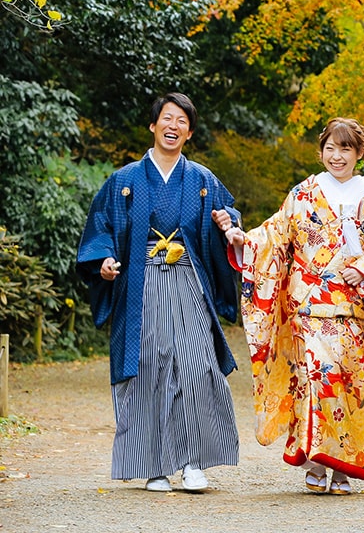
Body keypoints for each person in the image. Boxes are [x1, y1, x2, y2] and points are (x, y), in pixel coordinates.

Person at [217, 117, 364, 495]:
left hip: (356, 308)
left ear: (360, 153)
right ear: (321, 150)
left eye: (345, 149)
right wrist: (245, 240)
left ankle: (343, 467)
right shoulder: (304, 192)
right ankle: (314, 459)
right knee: (316, 377)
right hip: (308, 306)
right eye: (330, 148)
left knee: (353, 386)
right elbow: (275, 235)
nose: (336, 156)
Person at [76, 92, 242, 493]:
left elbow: (229, 218)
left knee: (198, 363)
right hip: (141, 281)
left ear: (189, 131)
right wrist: (104, 262)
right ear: (153, 126)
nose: (173, 126)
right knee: (148, 364)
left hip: (188, 279)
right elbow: (100, 230)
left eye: (181, 121)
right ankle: (153, 465)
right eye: (166, 118)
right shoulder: (124, 181)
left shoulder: (203, 180)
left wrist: (229, 223)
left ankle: (192, 462)